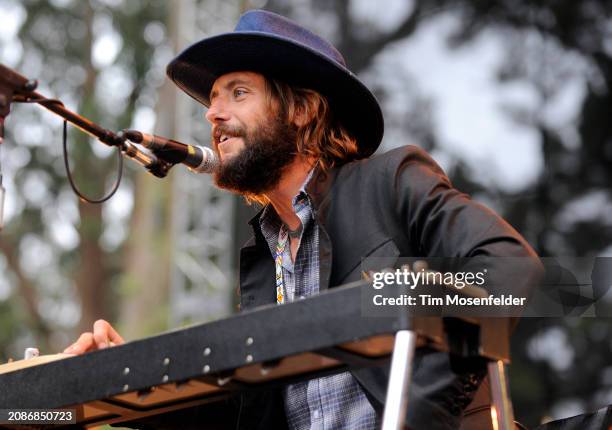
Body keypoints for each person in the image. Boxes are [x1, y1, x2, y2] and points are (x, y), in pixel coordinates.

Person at [64, 9, 542, 430]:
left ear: (301, 109)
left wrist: (418, 415)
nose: (212, 112)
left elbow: (511, 266)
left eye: (238, 92)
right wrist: (128, 382)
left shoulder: (389, 182)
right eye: (213, 97)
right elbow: (246, 416)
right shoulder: (262, 257)